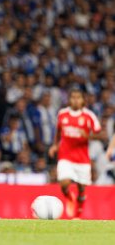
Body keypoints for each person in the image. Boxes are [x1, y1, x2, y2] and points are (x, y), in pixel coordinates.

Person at [49, 88, 101, 219]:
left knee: (82, 188)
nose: (75, 100)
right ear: (69, 99)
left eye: (78, 97)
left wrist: (88, 136)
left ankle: (78, 214)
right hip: (65, 155)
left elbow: (100, 134)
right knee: (64, 183)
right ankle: (69, 196)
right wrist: (55, 145)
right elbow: (58, 132)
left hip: (82, 158)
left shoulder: (89, 116)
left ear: (83, 100)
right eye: (73, 97)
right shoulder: (62, 114)